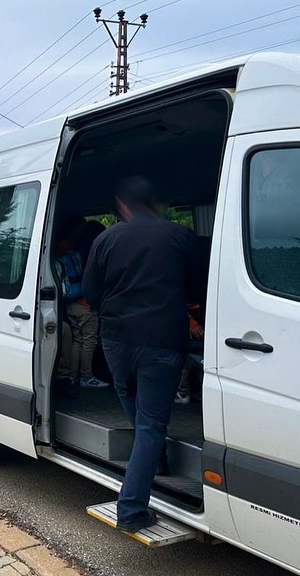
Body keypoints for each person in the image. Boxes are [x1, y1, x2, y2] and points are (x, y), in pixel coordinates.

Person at [83, 176, 200, 534]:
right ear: (154, 204)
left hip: (116, 341)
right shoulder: (180, 237)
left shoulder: (105, 239)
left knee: (137, 410)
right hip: (161, 341)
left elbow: (90, 292)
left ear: (122, 206)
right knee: (150, 423)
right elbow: (197, 288)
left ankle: (155, 459)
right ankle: (131, 509)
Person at [54, 218, 107, 398]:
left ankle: (72, 375)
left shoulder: (70, 250)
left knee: (77, 340)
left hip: (71, 303)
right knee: (89, 341)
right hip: (85, 304)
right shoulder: (90, 251)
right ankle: (87, 376)